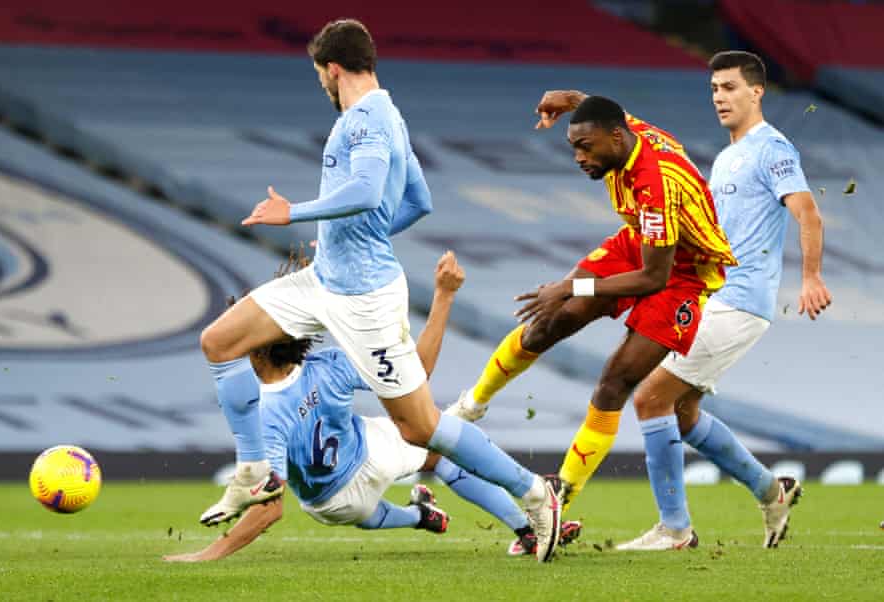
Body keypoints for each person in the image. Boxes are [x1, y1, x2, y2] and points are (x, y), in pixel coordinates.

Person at [198, 18, 560, 562]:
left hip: (363, 297)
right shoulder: (388, 115)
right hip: (325, 279)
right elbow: (419, 202)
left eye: (320, 73)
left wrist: (291, 213)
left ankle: (535, 494)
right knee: (220, 341)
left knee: (421, 428)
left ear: (333, 68)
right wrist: (342, 239)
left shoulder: (366, 118)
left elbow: (368, 190)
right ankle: (254, 472)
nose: (321, 82)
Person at [446, 94, 736, 542]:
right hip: (636, 242)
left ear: (616, 139)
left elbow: (653, 278)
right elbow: (599, 107)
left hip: (679, 273)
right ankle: (473, 404)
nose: (579, 158)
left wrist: (571, 286)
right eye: (574, 147)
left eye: (586, 147)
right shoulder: (623, 131)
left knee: (615, 379)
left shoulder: (653, 184)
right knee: (549, 320)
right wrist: (569, 100)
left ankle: (559, 500)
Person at [165, 252, 580, 562]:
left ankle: (420, 517)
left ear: (255, 350)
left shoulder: (261, 414)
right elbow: (415, 372)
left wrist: (210, 553)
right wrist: (443, 297)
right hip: (370, 456)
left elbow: (269, 509)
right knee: (441, 448)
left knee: (369, 511)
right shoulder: (328, 365)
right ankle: (528, 526)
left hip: (333, 503)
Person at [613, 51, 830, 550]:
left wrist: (811, 278)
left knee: (649, 396)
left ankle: (674, 528)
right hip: (714, 296)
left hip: (739, 299)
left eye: (729, 87)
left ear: (756, 92)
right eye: (713, 89)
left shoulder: (771, 149)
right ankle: (771, 492)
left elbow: (808, 213)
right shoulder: (729, 155)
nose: (718, 97)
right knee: (681, 413)